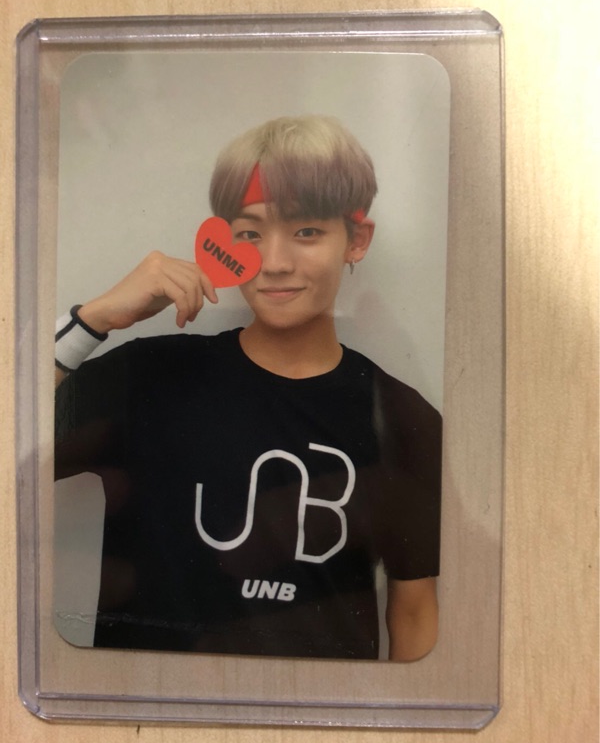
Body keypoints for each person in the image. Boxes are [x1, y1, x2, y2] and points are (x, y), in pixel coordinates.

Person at [55, 115, 442, 661]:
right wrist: (92, 320)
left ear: (356, 240)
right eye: (251, 233)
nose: (276, 264)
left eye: (306, 231)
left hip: (318, 715)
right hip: (144, 710)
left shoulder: (403, 417)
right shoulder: (148, 375)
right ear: (224, 242)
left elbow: (415, 610)